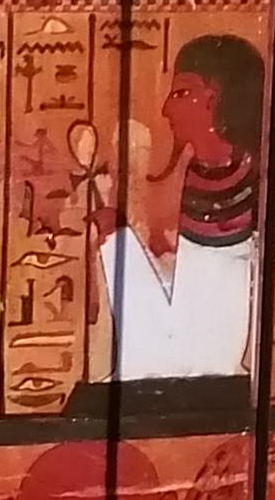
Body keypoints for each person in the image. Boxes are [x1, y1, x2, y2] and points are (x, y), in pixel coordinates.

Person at [93, 34, 265, 383]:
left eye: (181, 93)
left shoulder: (245, 177)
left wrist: (117, 242)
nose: (166, 109)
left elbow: (200, 343)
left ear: (212, 99)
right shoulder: (202, 171)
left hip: (203, 372)